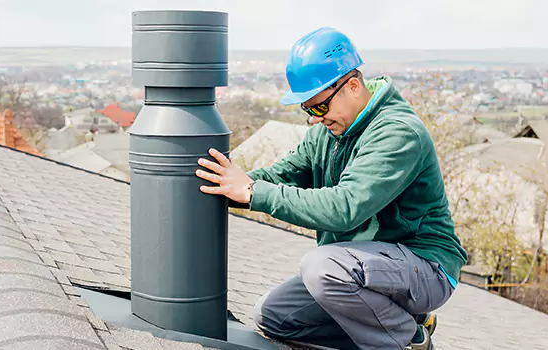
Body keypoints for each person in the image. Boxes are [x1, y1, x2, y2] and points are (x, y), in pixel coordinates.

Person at [195, 27, 468, 350]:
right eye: (307, 109)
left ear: (352, 86)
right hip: (369, 269)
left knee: (322, 267)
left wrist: (254, 192)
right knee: (274, 316)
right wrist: (224, 187)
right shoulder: (329, 133)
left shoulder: (398, 133)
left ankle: (408, 341)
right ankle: (405, 323)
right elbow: (282, 175)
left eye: (319, 107)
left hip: (424, 267)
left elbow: (345, 208)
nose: (314, 119)